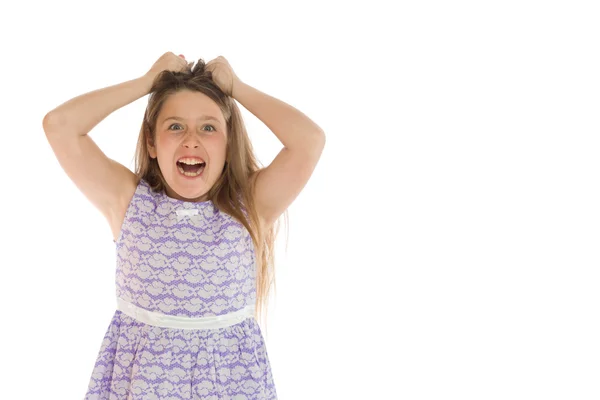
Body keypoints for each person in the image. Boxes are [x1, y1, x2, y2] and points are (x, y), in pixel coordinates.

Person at [43, 51, 325, 399]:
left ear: (227, 141)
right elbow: (59, 125)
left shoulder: (251, 206)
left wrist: (238, 88)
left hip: (230, 386)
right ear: (151, 142)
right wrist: (146, 82)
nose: (191, 139)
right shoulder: (130, 203)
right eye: (175, 126)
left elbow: (309, 141)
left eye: (208, 127)